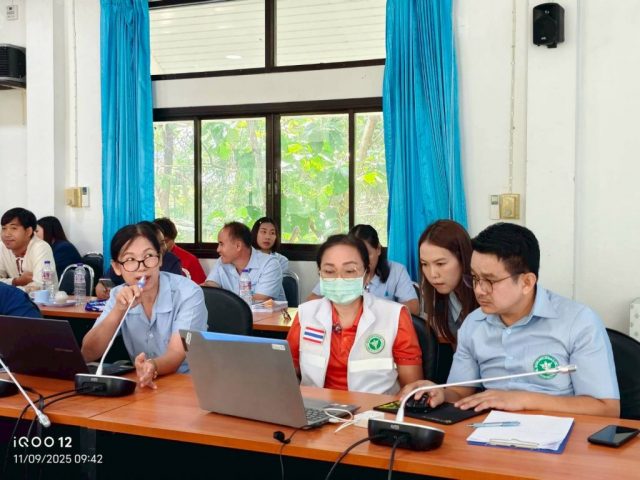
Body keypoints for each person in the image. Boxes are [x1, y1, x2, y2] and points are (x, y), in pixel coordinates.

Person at [400, 223, 620, 418]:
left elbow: (606, 408)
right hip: (488, 434)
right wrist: (439, 392)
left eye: (490, 280)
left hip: (560, 436)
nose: (479, 290)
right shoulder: (474, 324)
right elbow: (459, 392)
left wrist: (522, 399)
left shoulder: (578, 322)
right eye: (475, 278)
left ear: (526, 282)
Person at [287, 234, 423, 394]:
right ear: (320, 274)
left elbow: (412, 389)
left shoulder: (394, 316)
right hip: (315, 406)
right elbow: (285, 373)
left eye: (350, 271)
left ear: (366, 275)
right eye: (329, 271)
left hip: (374, 408)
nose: (339, 279)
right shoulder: (306, 314)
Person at [81, 222, 207, 389]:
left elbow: (176, 354)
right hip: (143, 384)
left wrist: (152, 366)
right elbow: (88, 353)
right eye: (130, 259)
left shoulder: (189, 293)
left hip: (188, 385)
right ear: (117, 267)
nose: (142, 268)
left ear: (160, 259)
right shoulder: (118, 294)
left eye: (148, 256)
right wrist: (118, 311)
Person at [307, 225, 419, 315]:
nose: (362, 261)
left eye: (366, 254)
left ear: (378, 249)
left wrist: (373, 310)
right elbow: (311, 301)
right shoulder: (339, 273)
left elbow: (414, 307)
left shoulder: (396, 271)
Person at [418, 219, 478, 344]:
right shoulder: (436, 294)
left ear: (463, 259)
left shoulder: (485, 294)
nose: (432, 274)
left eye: (440, 263)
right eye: (425, 264)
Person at [95, 221, 184, 300]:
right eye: (131, 259)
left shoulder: (171, 261)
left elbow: (175, 291)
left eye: (162, 243)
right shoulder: (123, 263)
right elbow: (104, 282)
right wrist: (101, 288)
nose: (142, 267)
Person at [204, 221, 286, 302]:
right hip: (230, 310)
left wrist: (222, 300)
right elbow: (210, 288)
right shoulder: (221, 261)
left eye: (221, 244)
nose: (218, 249)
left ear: (238, 246)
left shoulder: (270, 264)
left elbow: (260, 300)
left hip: (263, 311)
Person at [0, 207, 57, 290]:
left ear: (28, 231)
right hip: (15, 297)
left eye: (13, 228)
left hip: (43, 298)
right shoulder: (2, 246)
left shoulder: (40, 247)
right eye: (4, 228)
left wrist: (8, 287)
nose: (6, 234)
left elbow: (40, 287)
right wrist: (16, 281)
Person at [153, 217, 206, 284]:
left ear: (173, 239)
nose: (162, 247)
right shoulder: (146, 260)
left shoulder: (190, 260)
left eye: (166, 242)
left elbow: (201, 287)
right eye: (157, 242)